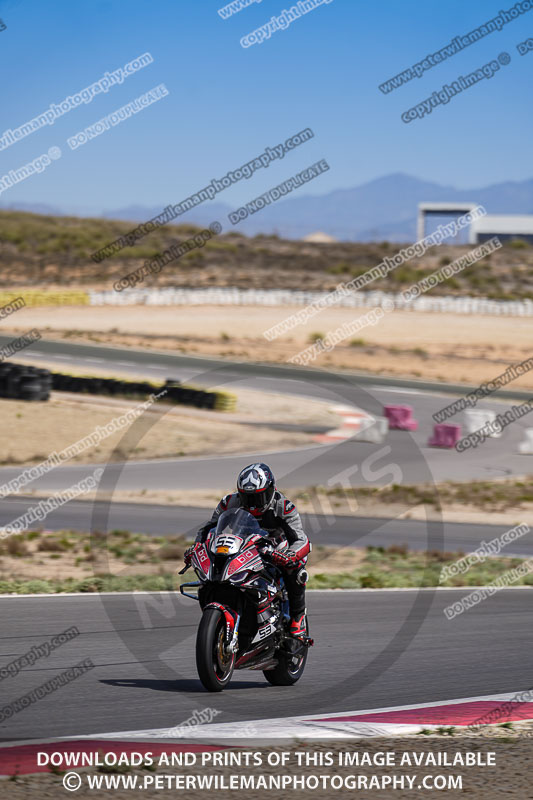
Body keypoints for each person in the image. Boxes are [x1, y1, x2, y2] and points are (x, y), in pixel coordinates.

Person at [184, 462, 310, 637]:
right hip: (243, 543)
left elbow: (301, 539)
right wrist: (197, 546)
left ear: (271, 490)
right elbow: (208, 529)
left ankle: (298, 616)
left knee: (295, 570)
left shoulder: (284, 506)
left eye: (258, 498)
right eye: (247, 498)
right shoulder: (229, 502)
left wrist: (290, 555)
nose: (252, 504)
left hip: (277, 546)